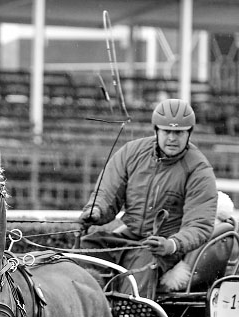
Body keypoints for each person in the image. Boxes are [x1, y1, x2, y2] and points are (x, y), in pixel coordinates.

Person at [79, 98, 217, 297]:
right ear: (156, 130)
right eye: (166, 131)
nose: (172, 138)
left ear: (189, 133)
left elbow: (199, 224)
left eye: (179, 132)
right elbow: (107, 192)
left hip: (163, 247)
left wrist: (172, 244)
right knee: (84, 251)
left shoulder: (199, 170)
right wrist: (96, 210)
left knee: (137, 274)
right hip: (129, 237)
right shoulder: (131, 152)